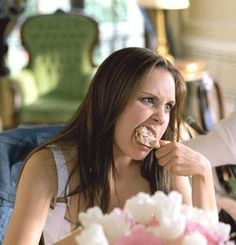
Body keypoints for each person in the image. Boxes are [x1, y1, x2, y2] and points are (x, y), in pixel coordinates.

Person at [3, 47, 217, 245]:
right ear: (110, 101)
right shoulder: (47, 167)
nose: (161, 118)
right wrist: (98, 234)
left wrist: (203, 173)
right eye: (148, 100)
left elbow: (201, 240)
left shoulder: (166, 167)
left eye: (168, 106)